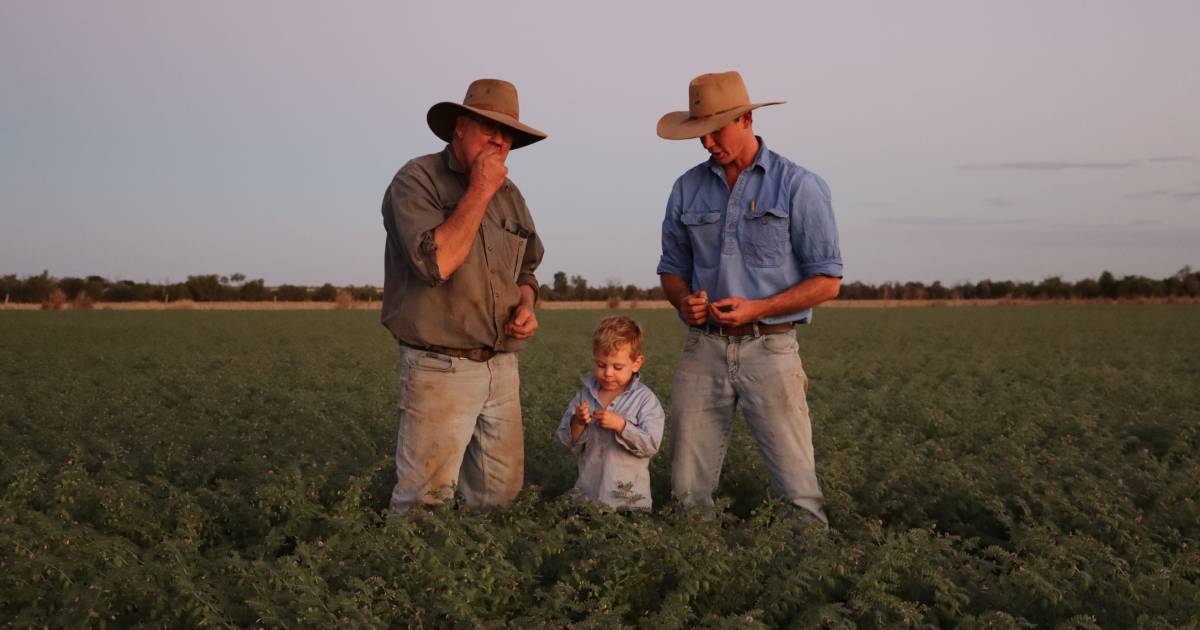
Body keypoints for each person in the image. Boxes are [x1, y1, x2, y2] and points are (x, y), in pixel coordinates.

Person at [655, 71, 842, 525]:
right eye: (700, 134)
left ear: (747, 119)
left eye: (715, 131)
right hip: (704, 347)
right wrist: (684, 302)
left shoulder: (799, 185)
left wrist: (759, 308)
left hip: (771, 348)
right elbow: (671, 270)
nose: (707, 144)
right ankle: (698, 580)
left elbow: (828, 280)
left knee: (798, 491)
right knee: (687, 490)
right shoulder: (687, 187)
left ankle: (810, 580)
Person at [381, 78, 548, 513]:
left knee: (498, 497)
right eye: (487, 127)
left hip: (501, 367)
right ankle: (416, 579)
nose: (499, 140)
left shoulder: (511, 196)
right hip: (439, 368)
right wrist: (479, 190)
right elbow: (435, 263)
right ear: (459, 128)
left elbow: (527, 269)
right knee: (425, 502)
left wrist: (526, 306)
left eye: (508, 133)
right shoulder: (417, 180)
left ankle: (474, 575)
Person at [555, 316, 665, 510]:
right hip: (588, 498)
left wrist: (621, 426)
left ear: (637, 363)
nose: (608, 373)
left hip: (629, 502)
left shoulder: (645, 400)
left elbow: (651, 445)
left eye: (617, 367)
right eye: (601, 365)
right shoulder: (584, 396)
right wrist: (578, 423)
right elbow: (565, 441)